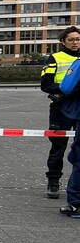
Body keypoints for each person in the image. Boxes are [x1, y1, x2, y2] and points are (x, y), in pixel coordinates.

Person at [42, 27, 80, 199]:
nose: (75, 42)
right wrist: (66, 90)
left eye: (78, 39)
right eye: (71, 39)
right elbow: (46, 83)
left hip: (78, 106)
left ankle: (76, 186)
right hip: (61, 107)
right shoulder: (55, 58)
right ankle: (53, 182)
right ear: (63, 42)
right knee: (58, 147)